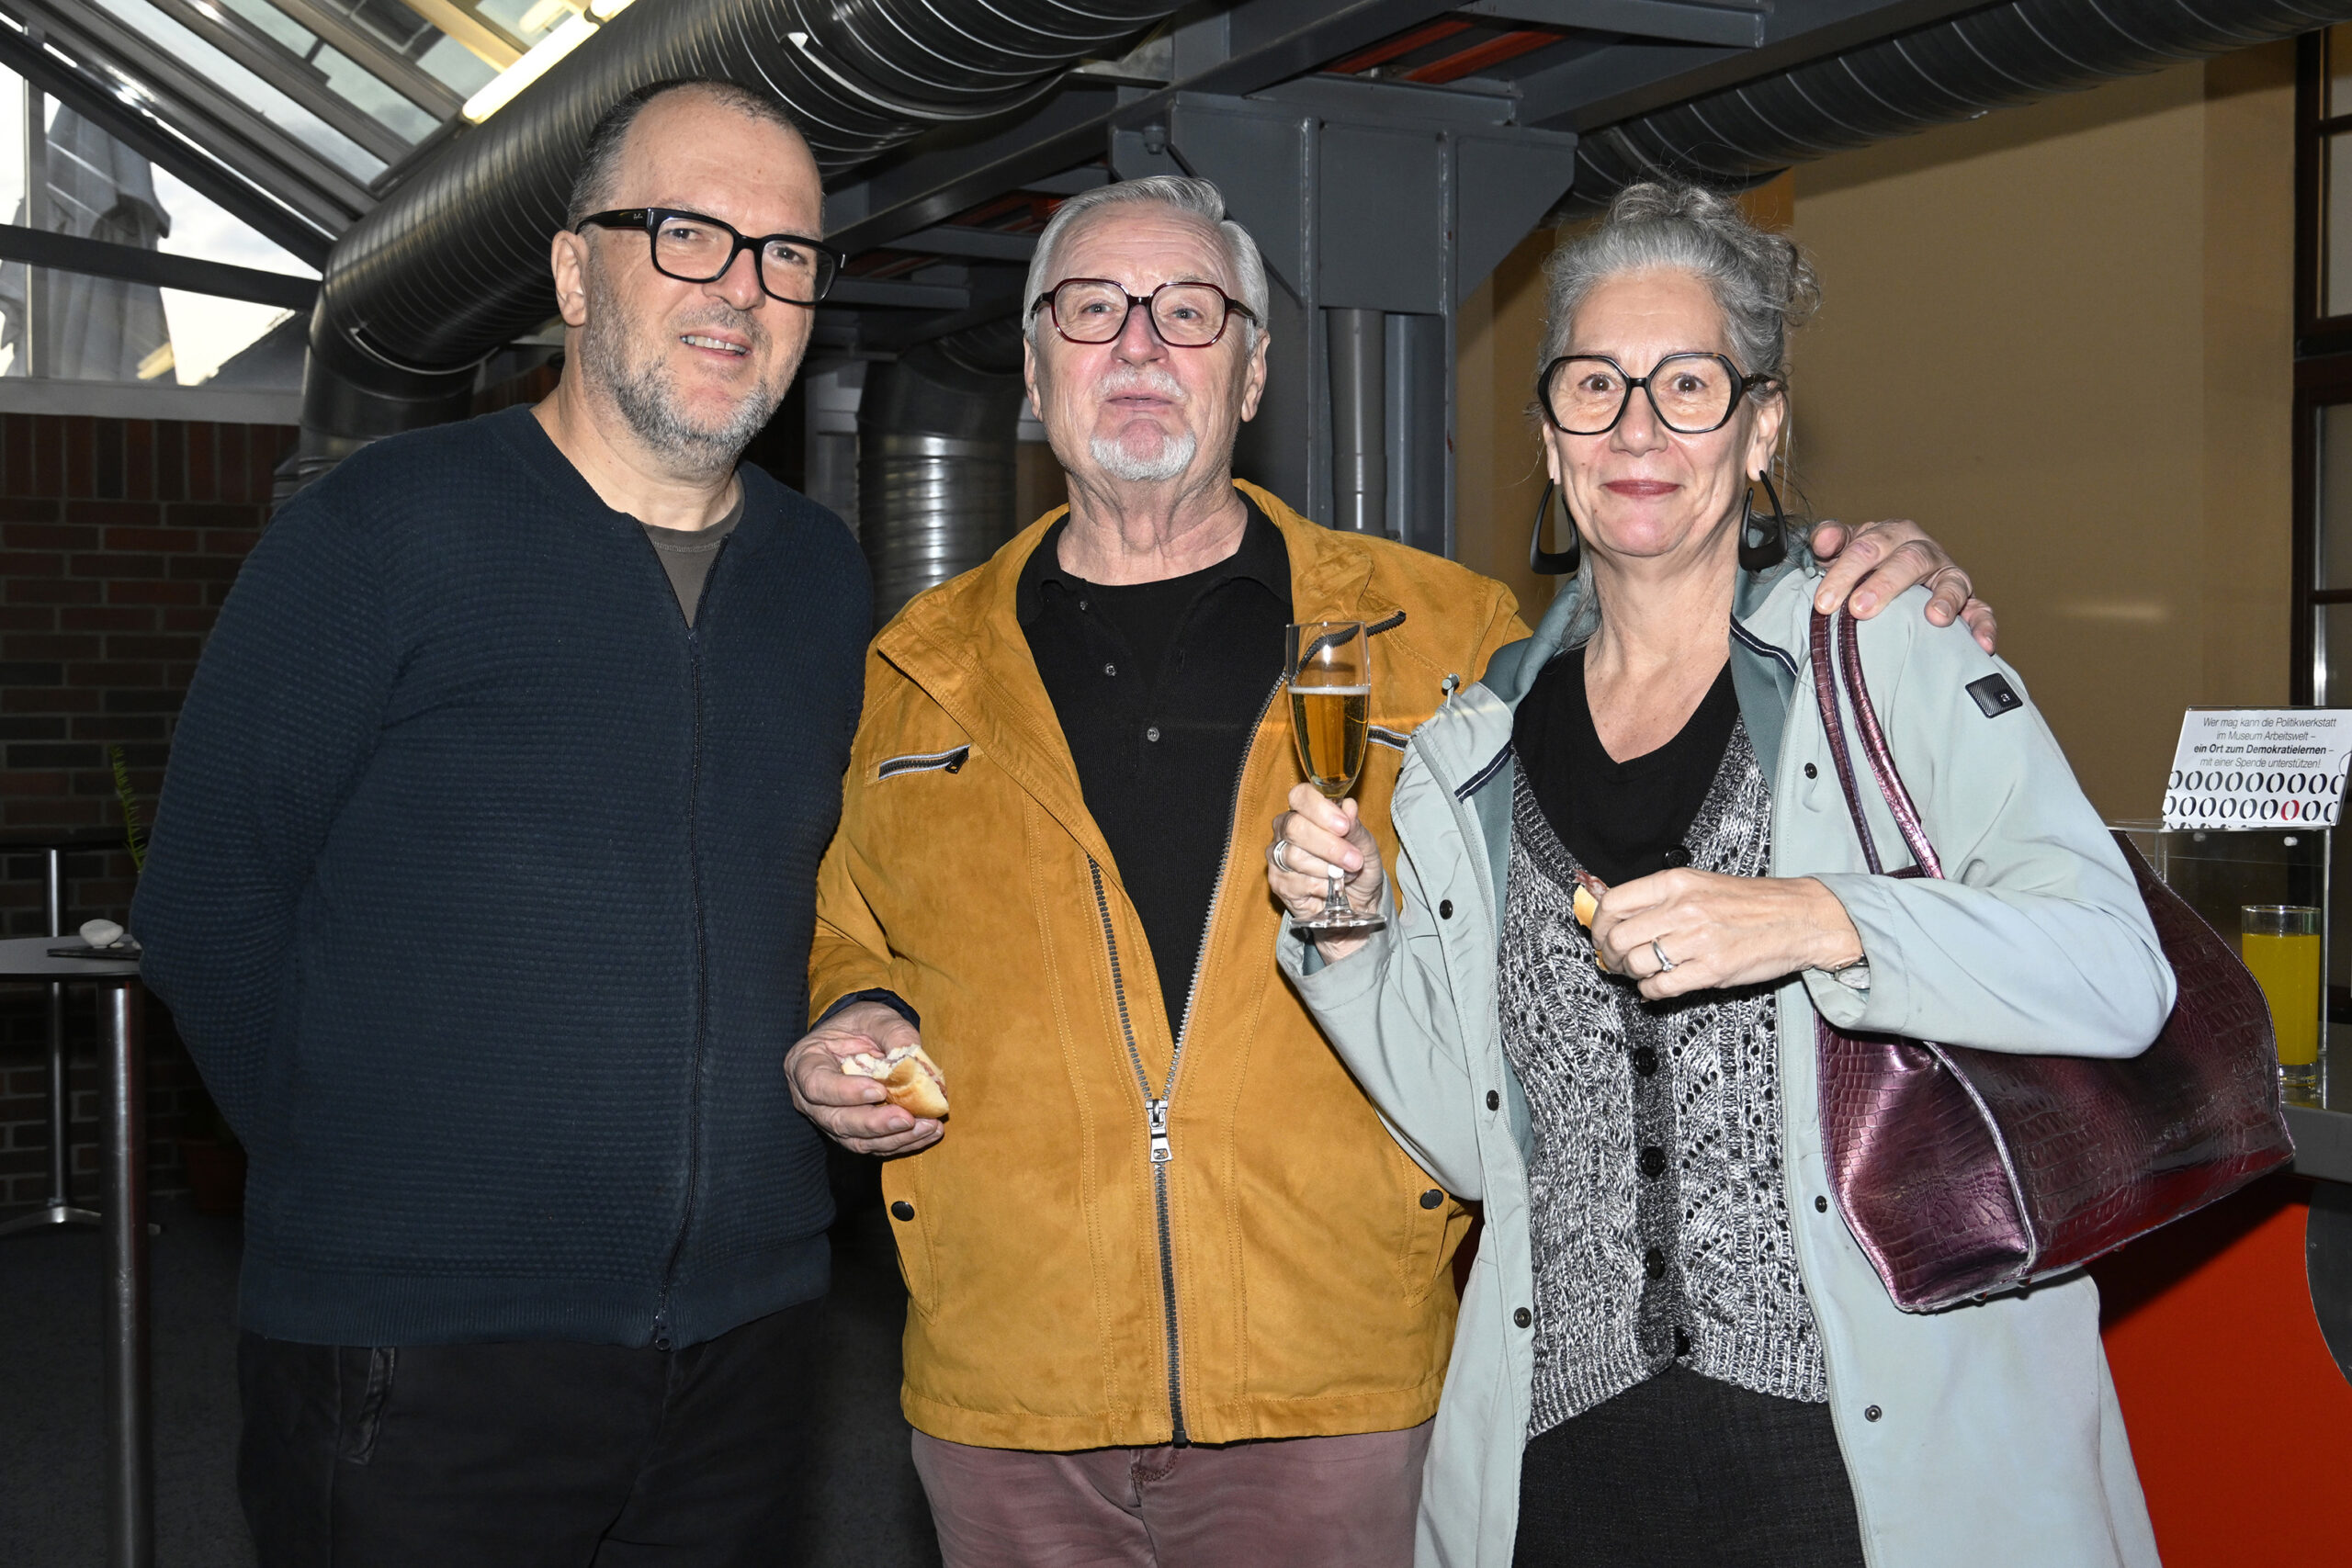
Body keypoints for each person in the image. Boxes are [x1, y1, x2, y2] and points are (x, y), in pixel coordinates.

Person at [790, 174, 1992, 1568]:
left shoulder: (1444, 638)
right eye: (1093, 310)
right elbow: (854, 927)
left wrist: (1877, 570)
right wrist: (848, 1016)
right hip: (1008, 1400)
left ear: (1252, 373)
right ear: (1032, 363)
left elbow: (1672, 607)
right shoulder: (919, 667)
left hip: (1336, 1390)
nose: (1139, 345)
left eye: (1189, 312)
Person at [1265, 181, 2172, 1568]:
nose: (1637, 429)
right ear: (1550, 439)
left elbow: (2118, 974)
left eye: (1688, 385)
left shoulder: (1890, 653)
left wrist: (1818, 919)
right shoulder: (1471, 752)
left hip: (1868, 1471)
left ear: (1761, 431)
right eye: (1594, 386)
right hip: (1569, 1472)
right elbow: (1472, 1142)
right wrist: (1348, 945)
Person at [132, 80, 865, 1567]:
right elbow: (210, 895)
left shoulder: (825, 578)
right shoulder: (380, 528)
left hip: (749, 1345)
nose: (741, 287)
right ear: (575, 272)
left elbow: (842, 897)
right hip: (421, 1359)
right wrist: (365, 1176)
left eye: (785, 253)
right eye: (687, 234)